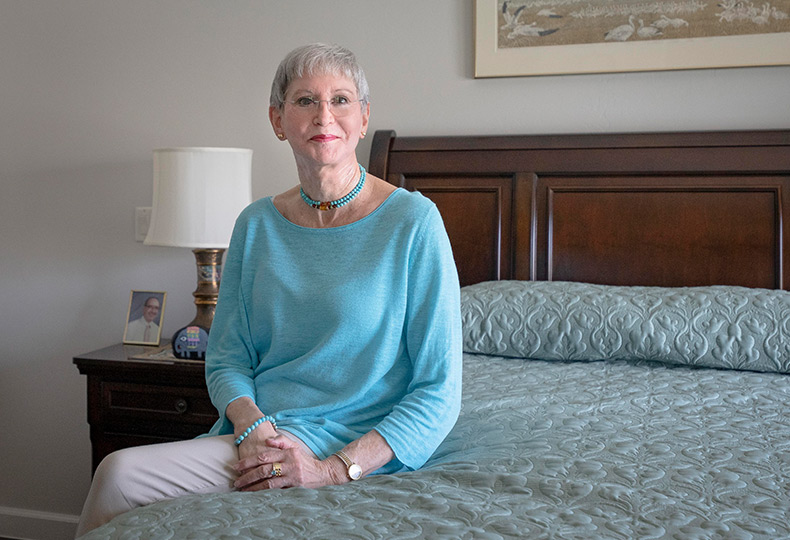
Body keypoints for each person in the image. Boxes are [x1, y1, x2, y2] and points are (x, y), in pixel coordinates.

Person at [76, 43, 461, 537]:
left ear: (363, 118)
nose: (324, 115)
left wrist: (334, 470)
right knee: (119, 477)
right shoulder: (255, 224)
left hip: (357, 447)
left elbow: (439, 391)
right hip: (261, 436)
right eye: (305, 100)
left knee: (119, 475)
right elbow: (226, 358)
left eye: (341, 100)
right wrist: (252, 424)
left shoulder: (413, 222)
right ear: (278, 120)